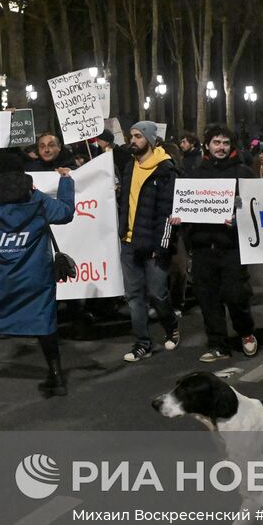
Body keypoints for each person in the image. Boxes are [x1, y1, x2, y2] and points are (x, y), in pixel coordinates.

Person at [0, 155, 76, 393]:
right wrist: (66, 181)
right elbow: (66, 213)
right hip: (35, 278)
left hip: (0, 279)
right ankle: (57, 377)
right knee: (44, 321)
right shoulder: (38, 201)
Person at [173, 125, 257, 362]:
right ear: (207, 145)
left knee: (236, 295)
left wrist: (238, 221)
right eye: (216, 142)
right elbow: (187, 207)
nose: (221, 147)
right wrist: (181, 218)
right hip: (202, 249)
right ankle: (217, 344)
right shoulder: (195, 174)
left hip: (231, 246)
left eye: (225, 143)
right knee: (207, 298)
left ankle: (246, 332)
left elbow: (254, 207)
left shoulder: (243, 172)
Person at [118, 120, 179, 362]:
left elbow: (168, 212)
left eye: (138, 136)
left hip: (153, 245)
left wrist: (161, 246)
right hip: (129, 242)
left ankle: (171, 325)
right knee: (134, 297)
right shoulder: (129, 166)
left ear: (150, 140)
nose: (133, 140)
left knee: (157, 294)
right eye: (131, 136)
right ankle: (142, 343)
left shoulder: (165, 170)